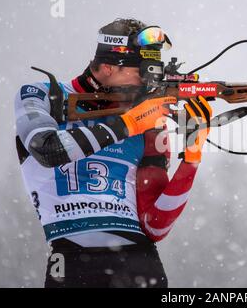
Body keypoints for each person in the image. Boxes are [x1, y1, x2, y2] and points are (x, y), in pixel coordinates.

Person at [14, 18, 212, 288]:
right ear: (107, 67)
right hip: (71, 261)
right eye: (141, 73)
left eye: (153, 75)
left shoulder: (148, 121)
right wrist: (127, 124)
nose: (145, 84)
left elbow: (155, 225)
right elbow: (47, 149)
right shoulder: (44, 94)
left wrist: (192, 156)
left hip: (141, 261)